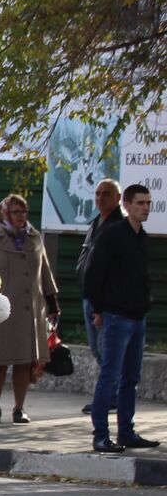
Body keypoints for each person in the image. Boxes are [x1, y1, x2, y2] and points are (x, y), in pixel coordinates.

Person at [84, 183, 157, 453]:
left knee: (131, 378)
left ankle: (126, 432)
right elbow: (93, 275)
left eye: (148, 203)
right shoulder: (112, 235)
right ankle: (100, 435)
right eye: (140, 203)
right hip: (116, 316)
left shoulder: (142, 237)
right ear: (126, 205)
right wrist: (98, 310)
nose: (145, 208)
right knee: (110, 377)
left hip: (137, 317)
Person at [0, 195, 59, 424]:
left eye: (24, 212)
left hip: (29, 309)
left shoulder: (34, 237)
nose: (21, 217)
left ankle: (19, 408)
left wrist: (52, 304)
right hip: (0, 308)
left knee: (24, 361)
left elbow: (45, 272)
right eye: (15, 212)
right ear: (4, 213)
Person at [75, 179, 126, 413]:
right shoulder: (97, 222)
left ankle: (111, 397)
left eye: (106, 194)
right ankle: (112, 395)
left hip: (106, 302)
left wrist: (101, 305)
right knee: (97, 349)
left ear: (118, 198)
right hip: (90, 296)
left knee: (108, 351)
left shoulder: (119, 226)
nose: (100, 198)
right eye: (97, 194)